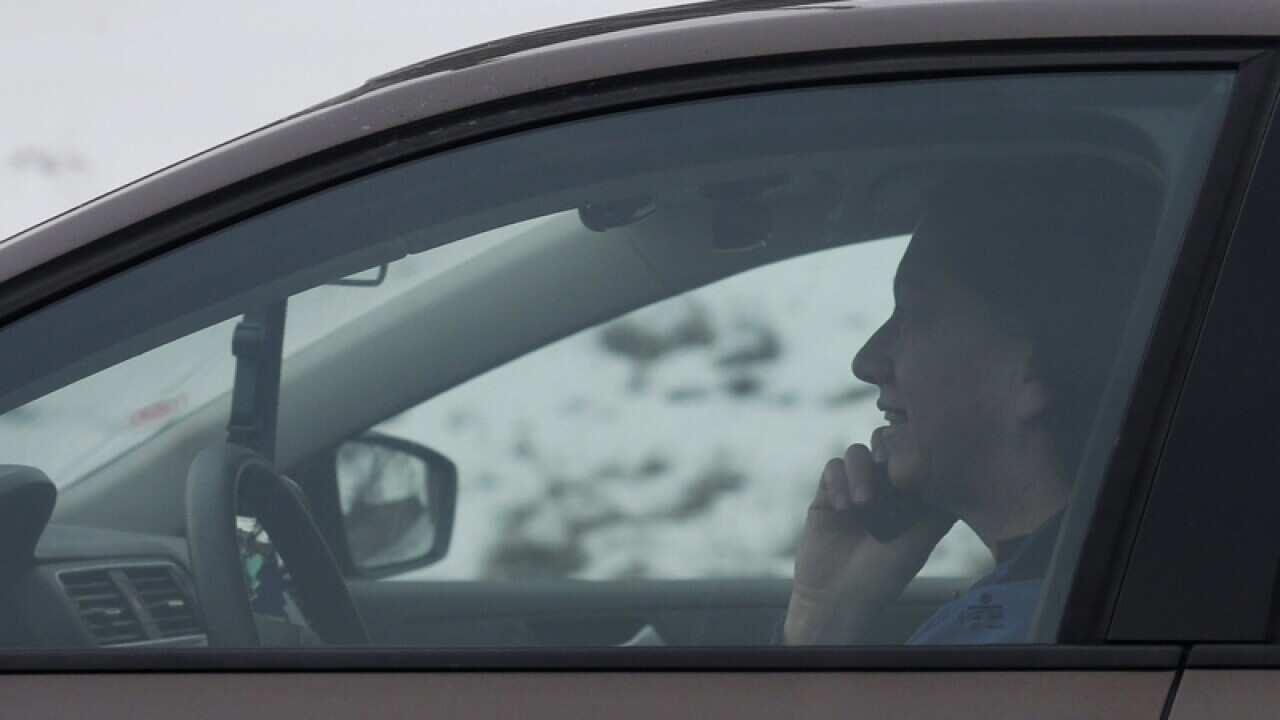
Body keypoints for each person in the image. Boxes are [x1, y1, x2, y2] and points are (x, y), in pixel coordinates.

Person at [783, 157, 1162, 645]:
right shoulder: (1075, 602)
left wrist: (814, 630)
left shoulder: (1018, 641)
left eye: (914, 313)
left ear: (1033, 367)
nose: (867, 361)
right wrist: (822, 617)